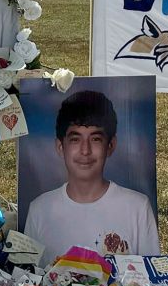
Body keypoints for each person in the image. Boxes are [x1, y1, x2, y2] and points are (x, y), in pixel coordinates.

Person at [23, 90, 160, 265]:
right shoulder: (39, 210)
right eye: (75, 139)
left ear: (111, 146)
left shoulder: (138, 208)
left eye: (95, 139)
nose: (85, 151)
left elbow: (154, 283)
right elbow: (27, 282)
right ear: (60, 146)